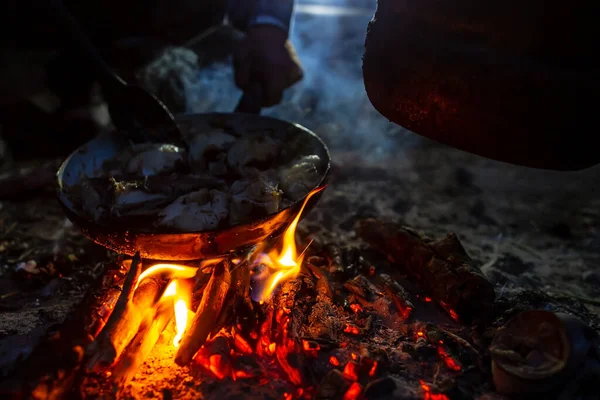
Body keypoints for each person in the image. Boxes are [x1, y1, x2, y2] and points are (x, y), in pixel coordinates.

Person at [0, 0, 303, 160]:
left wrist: (268, 24)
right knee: (58, 146)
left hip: (186, 32)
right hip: (52, 40)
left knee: (174, 144)